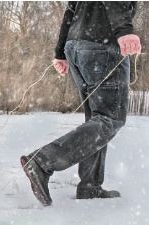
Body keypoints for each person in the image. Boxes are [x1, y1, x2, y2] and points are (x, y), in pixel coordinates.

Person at [21, 2, 142, 206]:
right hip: (102, 46)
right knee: (110, 119)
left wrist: (61, 52)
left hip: (77, 46)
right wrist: (124, 30)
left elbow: (71, 10)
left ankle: (90, 186)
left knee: (97, 119)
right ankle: (42, 162)